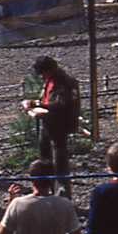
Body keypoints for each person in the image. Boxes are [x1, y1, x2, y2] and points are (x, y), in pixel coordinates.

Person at [21, 56, 81, 195]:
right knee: (45, 159)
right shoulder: (50, 80)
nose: (41, 76)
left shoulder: (64, 82)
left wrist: (36, 104)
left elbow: (59, 104)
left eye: (42, 73)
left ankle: (62, 194)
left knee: (59, 163)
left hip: (60, 126)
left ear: (49, 70)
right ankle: (46, 189)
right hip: (48, 124)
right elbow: (48, 99)